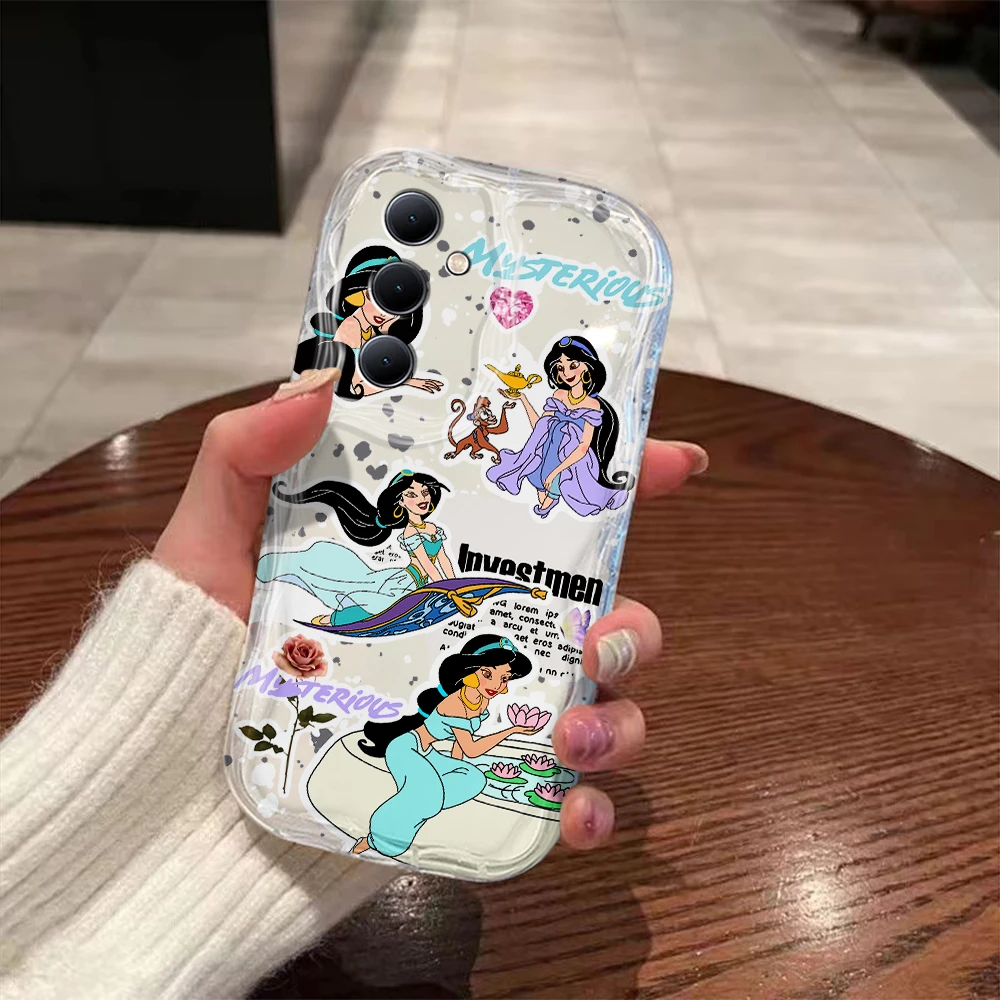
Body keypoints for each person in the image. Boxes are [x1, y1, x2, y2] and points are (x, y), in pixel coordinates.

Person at [0, 365, 708, 998]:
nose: (498, 682)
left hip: (409, 654)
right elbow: (434, 611)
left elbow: (443, 587)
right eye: (494, 673)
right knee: (378, 633)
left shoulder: (504, 491)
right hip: (402, 649)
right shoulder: (432, 602)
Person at [353, 634, 538, 858]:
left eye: (504, 678)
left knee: (474, 779)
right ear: (469, 670)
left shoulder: (480, 700)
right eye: (487, 674)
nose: (497, 685)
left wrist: (456, 768)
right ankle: (375, 838)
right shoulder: (455, 703)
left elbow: (460, 744)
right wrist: (511, 730)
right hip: (405, 748)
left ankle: (410, 814)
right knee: (429, 795)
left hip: (428, 752)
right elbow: (472, 749)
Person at [259, 470, 456, 627]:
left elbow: (443, 559)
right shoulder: (410, 533)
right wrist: (448, 590)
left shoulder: (432, 529)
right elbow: (427, 564)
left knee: (379, 603)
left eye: (425, 492)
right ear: (401, 502)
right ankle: (334, 619)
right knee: (378, 607)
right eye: (412, 494)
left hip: (419, 584)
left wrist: (456, 584)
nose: (422, 499)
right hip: (406, 583)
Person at [487, 335, 632, 518]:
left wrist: (555, 471)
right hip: (546, 450)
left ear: (588, 366)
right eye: (560, 368)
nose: (566, 373)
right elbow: (540, 426)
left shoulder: (592, 405)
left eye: (573, 365)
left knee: (553, 487)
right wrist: (523, 399)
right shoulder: (559, 395)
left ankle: (552, 496)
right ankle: (547, 496)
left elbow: (583, 447)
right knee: (536, 476)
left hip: (571, 458)